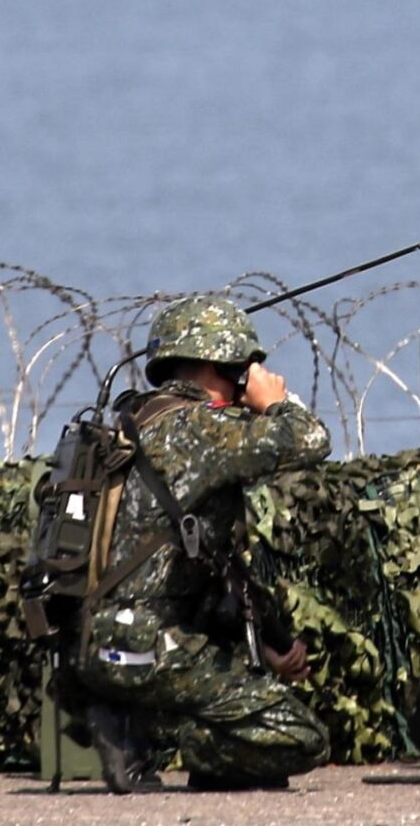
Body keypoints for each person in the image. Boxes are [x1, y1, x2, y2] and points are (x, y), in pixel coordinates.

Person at [69, 294, 332, 794]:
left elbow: (211, 560)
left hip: (87, 642)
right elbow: (311, 439)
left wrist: (271, 645)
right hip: (144, 647)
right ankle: (144, 730)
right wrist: (273, 400)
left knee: (256, 755)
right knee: (300, 739)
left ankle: (127, 716)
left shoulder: (131, 422)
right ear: (229, 367)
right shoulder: (201, 428)